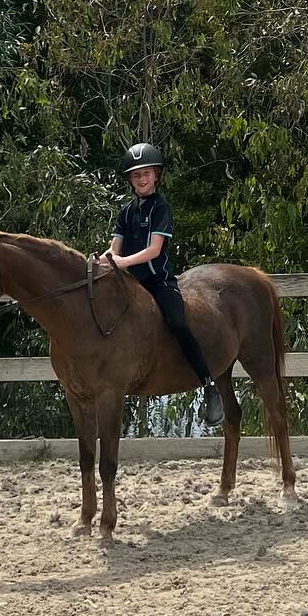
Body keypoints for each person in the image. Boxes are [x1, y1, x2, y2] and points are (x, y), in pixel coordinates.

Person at [101, 142, 225, 427]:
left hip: (157, 281)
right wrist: (103, 259)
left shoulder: (161, 208)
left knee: (178, 323)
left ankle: (208, 384)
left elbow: (154, 250)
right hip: (128, 282)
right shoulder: (125, 211)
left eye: (146, 173)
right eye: (135, 175)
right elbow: (114, 248)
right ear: (130, 180)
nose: (141, 179)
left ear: (156, 174)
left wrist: (121, 262)